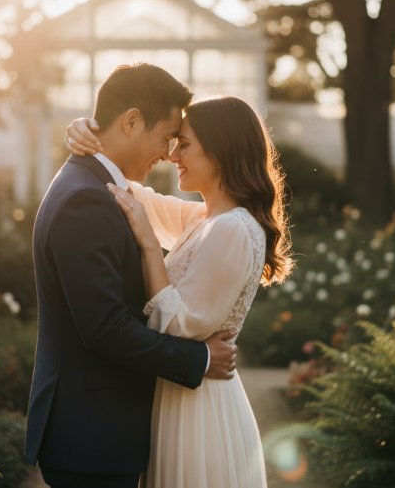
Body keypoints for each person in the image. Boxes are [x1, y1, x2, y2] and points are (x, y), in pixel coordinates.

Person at [24, 63, 239, 488]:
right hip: (93, 437)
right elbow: (104, 328)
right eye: (166, 138)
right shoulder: (87, 200)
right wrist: (201, 358)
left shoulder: (98, 187)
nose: (168, 153)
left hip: (97, 435)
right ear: (132, 121)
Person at [65, 94, 293, 488]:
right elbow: (138, 198)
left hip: (199, 407)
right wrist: (91, 136)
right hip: (182, 394)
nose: (172, 155)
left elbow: (179, 326)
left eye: (184, 144)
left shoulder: (233, 229)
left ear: (221, 152)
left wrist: (151, 246)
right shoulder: (205, 219)